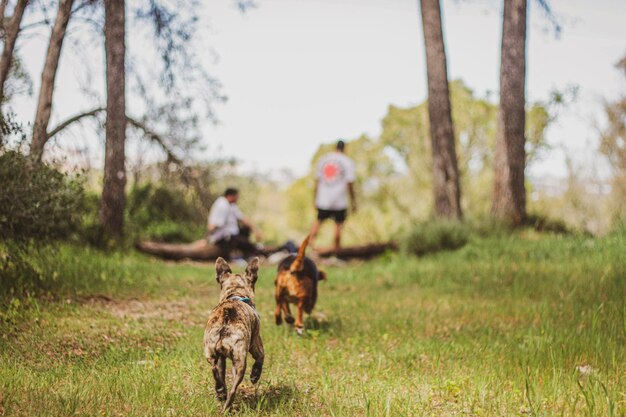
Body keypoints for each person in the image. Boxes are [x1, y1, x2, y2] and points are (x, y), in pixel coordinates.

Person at [309, 140, 357, 251]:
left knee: (318, 221)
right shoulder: (347, 161)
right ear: (344, 148)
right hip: (339, 200)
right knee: (339, 224)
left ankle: (309, 245)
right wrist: (353, 202)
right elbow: (350, 184)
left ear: (335, 147)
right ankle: (336, 249)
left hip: (323, 198)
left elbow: (317, 181)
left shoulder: (324, 159)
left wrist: (315, 198)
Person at [208, 188, 262, 261]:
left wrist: (255, 230)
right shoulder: (222, 205)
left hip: (233, 235)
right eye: (237, 197)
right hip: (224, 238)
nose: (238, 199)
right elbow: (214, 225)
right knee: (246, 244)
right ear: (231, 196)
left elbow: (242, 218)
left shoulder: (231, 205)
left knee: (246, 229)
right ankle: (250, 253)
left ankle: (251, 251)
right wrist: (208, 238)